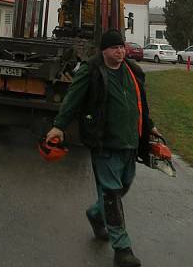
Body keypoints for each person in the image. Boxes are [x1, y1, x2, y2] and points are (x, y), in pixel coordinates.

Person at [46, 29, 159, 267]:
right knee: (111, 193)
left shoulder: (133, 71)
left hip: (130, 142)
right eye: (115, 48)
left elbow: (141, 104)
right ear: (104, 50)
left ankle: (96, 215)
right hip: (104, 142)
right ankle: (123, 249)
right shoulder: (92, 70)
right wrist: (59, 127)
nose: (120, 51)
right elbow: (73, 99)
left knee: (123, 186)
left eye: (122, 47)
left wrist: (150, 127)